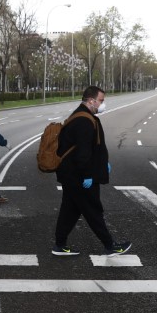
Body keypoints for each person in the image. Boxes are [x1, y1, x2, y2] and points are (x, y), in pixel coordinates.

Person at [53, 86, 131, 257]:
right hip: (79, 176)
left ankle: (59, 245)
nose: (102, 104)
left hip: (72, 174)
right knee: (93, 210)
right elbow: (83, 153)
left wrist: (103, 163)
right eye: (101, 101)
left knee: (70, 210)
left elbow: (88, 149)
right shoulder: (84, 120)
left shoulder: (82, 116)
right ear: (91, 101)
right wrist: (88, 174)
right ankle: (109, 245)